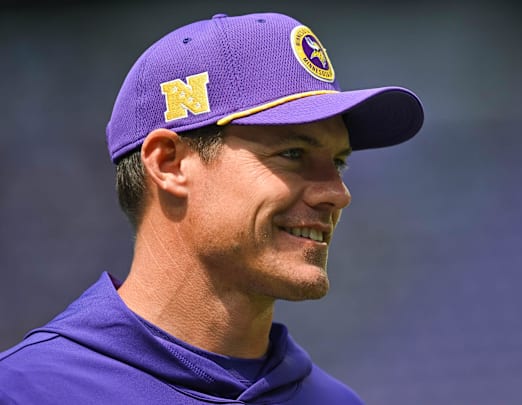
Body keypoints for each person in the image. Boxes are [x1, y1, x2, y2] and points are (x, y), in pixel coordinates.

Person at [0, 11, 423, 404]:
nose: (337, 192)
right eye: (293, 153)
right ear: (169, 163)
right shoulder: (27, 389)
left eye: (338, 162)